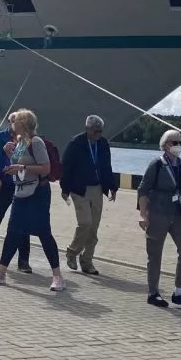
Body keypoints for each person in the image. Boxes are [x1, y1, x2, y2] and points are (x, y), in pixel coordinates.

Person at [0, 110, 65, 292]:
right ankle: (1, 271)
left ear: (23, 124)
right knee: (13, 231)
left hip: (37, 193)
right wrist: (9, 155)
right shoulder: (20, 142)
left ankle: (57, 276)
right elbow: (18, 165)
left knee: (44, 233)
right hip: (21, 191)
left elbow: (45, 168)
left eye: (16, 122)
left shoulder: (36, 142)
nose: (12, 124)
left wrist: (21, 166)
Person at [137, 129, 181, 309]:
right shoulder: (156, 165)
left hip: (177, 214)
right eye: (174, 142)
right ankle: (153, 293)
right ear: (164, 146)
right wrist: (142, 215)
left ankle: (179, 292)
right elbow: (143, 190)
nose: (178, 145)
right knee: (155, 254)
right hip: (158, 213)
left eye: (180, 142)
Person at [60, 115, 118, 275]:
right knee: (85, 223)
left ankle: (87, 261)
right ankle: (72, 251)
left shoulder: (103, 143)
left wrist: (113, 187)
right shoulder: (76, 143)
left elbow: (107, 165)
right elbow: (66, 166)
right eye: (95, 131)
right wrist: (64, 189)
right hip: (79, 189)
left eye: (100, 131)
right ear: (87, 129)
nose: (98, 134)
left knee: (93, 228)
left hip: (97, 188)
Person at [0, 111, 31, 272]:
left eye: (23, 124)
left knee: (23, 221)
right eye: (17, 123)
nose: (20, 126)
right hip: (3, 185)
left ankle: (23, 260)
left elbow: (25, 161)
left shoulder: (26, 140)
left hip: (21, 184)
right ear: (11, 123)